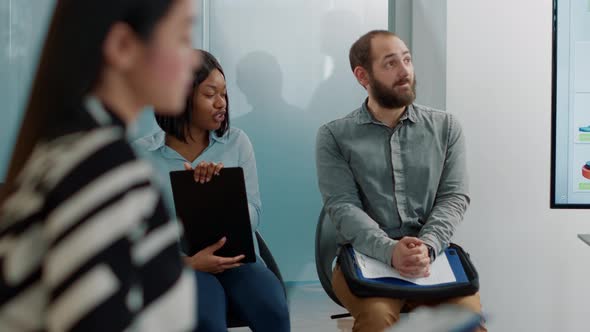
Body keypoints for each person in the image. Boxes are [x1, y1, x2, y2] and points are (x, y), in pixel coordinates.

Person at [0, 0, 200, 331]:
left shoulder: (66, 150)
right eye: (183, 36)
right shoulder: (103, 167)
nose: (193, 58)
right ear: (123, 46)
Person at [315, 30, 485, 332]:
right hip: (367, 258)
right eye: (390, 63)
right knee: (378, 319)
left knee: (469, 321)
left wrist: (427, 246)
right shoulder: (334, 136)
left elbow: (454, 197)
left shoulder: (446, 128)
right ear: (362, 75)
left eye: (407, 60)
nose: (405, 70)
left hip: (431, 257)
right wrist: (390, 250)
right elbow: (343, 207)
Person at [135, 49, 290, 332]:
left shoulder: (237, 142)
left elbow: (254, 213)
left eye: (225, 93)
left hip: (237, 261)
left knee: (274, 310)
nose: (222, 103)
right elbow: (137, 233)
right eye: (210, 94)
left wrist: (220, 191)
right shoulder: (143, 155)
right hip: (181, 266)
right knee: (205, 319)